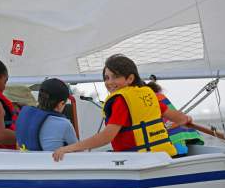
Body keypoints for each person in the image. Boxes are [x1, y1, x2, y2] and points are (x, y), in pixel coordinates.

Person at [53, 54, 192, 161]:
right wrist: (185, 119)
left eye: (115, 77)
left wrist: (70, 148)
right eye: (106, 78)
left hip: (137, 161)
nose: (110, 82)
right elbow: (177, 117)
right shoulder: (147, 94)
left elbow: (106, 137)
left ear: (130, 79)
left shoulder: (121, 100)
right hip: (163, 157)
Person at [16, 78, 78, 151]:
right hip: (49, 161)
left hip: (24, 160)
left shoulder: (23, 114)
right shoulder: (64, 124)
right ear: (60, 104)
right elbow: (77, 150)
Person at [146, 81, 204, 156]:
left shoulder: (150, 99)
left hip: (171, 139)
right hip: (181, 136)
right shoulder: (161, 97)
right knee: (181, 152)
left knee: (177, 153)